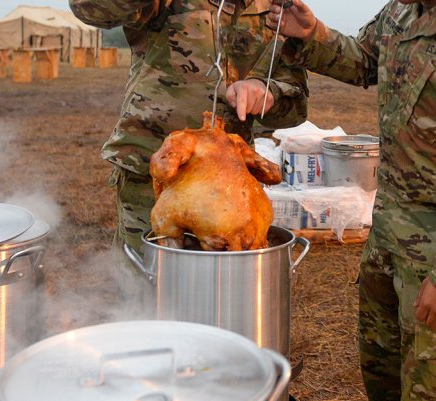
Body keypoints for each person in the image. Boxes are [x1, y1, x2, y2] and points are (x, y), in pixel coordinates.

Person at [271, 0, 436, 399]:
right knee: (385, 381)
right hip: (388, 241)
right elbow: (364, 60)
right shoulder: (403, 11)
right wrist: (312, 34)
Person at [69, 0, 309, 265]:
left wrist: (268, 92)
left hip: (231, 192)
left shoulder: (278, 10)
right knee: (147, 277)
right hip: (153, 178)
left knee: (228, 282)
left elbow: (295, 107)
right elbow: (89, 8)